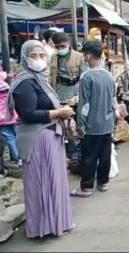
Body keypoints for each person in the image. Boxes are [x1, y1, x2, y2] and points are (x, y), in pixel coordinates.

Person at [9, 40, 75, 238]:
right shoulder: (24, 82)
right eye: (33, 56)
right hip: (37, 139)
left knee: (54, 181)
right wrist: (59, 112)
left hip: (49, 136)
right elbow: (29, 114)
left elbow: (44, 105)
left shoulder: (39, 80)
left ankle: (57, 224)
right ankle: (43, 228)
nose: (38, 60)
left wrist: (63, 108)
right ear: (24, 58)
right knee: (42, 183)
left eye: (42, 56)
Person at [70, 40, 116, 197]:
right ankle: (103, 183)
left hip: (92, 125)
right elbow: (113, 101)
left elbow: (84, 105)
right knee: (105, 156)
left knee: (89, 157)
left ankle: (86, 187)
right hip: (107, 123)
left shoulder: (86, 77)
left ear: (88, 55)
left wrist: (80, 125)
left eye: (84, 55)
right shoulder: (109, 76)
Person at [49, 32, 87, 171]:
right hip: (59, 98)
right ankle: (70, 157)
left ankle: (79, 155)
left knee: (79, 127)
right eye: (57, 47)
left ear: (69, 44)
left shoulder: (79, 57)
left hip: (76, 98)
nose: (60, 49)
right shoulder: (53, 57)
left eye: (62, 46)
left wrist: (78, 95)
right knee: (65, 130)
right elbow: (50, 77)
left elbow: (84, 78)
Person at [0, 69, 20, 165]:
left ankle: (16, 157)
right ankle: (21, 155)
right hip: (11, 114)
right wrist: (9, 76)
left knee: (9, 138)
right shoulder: (6, 86)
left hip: (1, 119)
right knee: (17, 135)